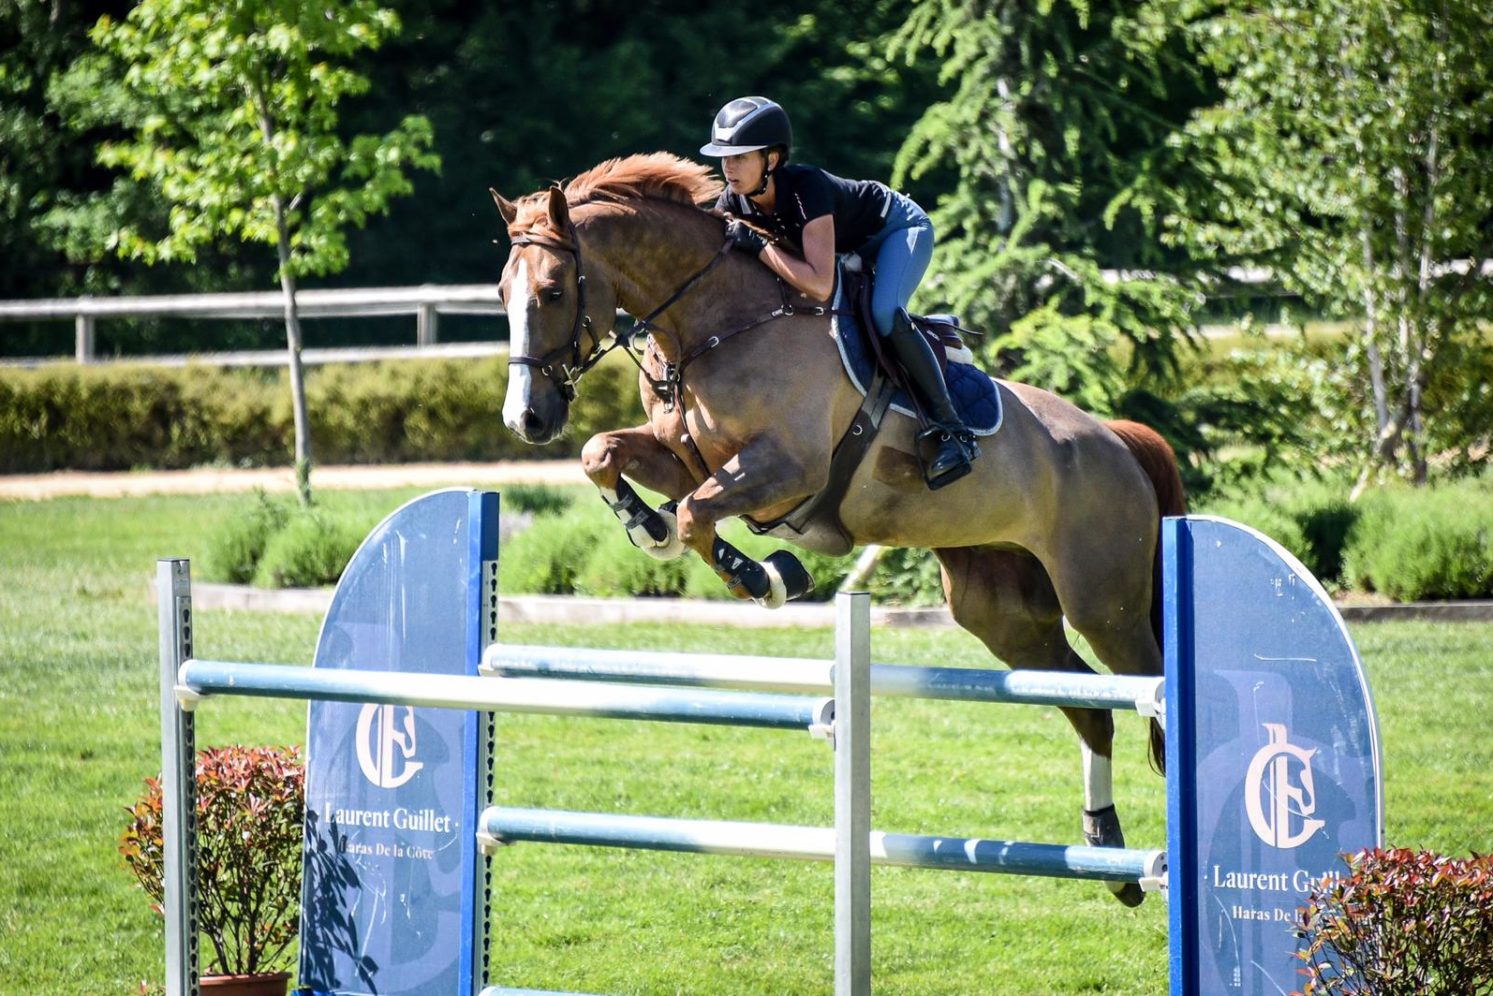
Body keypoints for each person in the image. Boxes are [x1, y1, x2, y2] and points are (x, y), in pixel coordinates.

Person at [700, 95, 979, 489]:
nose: (729, 167)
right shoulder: (733, 201)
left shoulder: (806, 188)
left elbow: (819, 284)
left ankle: (953, 430)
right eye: (725, 157)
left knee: (884, 313)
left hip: (897, 230)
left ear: (772, 160)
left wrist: (761, 248)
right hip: (844, 250)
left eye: (741, 157)